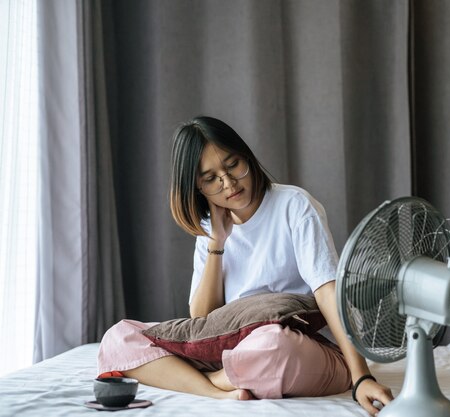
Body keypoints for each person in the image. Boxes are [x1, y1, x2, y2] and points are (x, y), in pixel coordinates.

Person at [97, 116, 393, 415]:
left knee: (272, 345)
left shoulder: (294, 205)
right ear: (198, 188)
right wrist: (217, 242)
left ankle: (205, 378)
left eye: (233, 165)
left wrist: (361, 377)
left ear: (247, 157)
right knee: (118, 338)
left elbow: (329, 291)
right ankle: (214, 389)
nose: (228, 183)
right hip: (235, 349)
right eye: (211, 178)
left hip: (306, 349)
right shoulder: (210, 230)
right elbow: (202, 318)